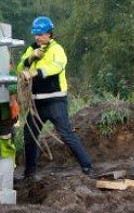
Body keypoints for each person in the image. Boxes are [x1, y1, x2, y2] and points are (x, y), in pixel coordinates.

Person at [16, 16, 93, 180]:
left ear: (49, 34)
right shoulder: (32, 49)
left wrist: (37, 71)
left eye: (40, 34)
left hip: (55, 101)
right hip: (36, 102)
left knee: (65, 133)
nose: (37, 37)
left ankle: (87, 166)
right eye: (35, 34)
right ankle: (29, 173)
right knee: (29, 135)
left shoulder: (57, 49)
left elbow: (57, 66)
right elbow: (20, 66)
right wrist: (29, 59)